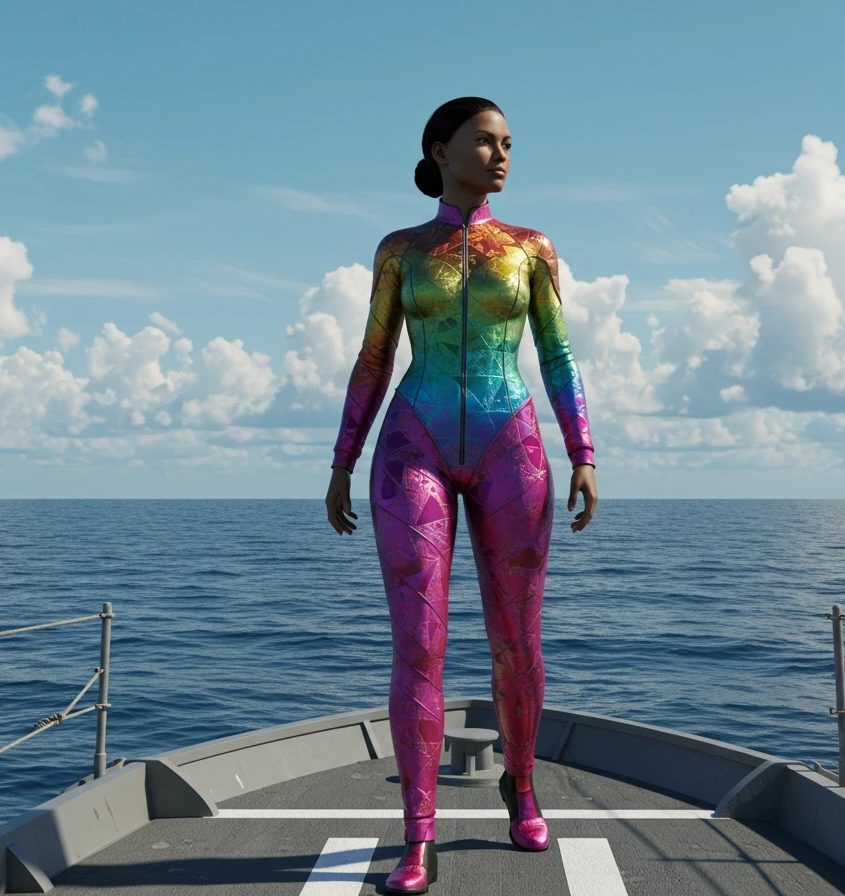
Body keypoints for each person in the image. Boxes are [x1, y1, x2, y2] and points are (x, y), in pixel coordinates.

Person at [324, 96, 598, 895]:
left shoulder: (531, 248)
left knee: (518, 639)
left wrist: (583, 451)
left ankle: (522, 784)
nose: (503, 154)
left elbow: (559, 354)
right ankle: (418, 834)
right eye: (486, 141)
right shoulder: (402, 250)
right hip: (414, 445)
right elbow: (374, 358)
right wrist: (343, 458)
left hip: (512, 445)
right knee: (419, 646)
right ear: (441, 151)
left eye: (510, 143)